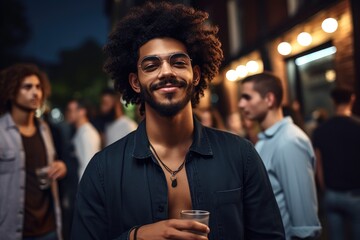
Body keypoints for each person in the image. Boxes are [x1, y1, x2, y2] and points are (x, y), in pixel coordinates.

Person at [71, 2, 285, 240]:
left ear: (196, 75)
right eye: (151, 66)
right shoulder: (102, 170)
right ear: (135, 82)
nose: (166, 72)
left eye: (178, 62)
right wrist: (135, 237)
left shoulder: (241, 155)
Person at [238, 72, 321, 240]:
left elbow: (305, 226)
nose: (240, 104)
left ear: (269, 99)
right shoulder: (265, 140)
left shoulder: (289, 141)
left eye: (247, 97)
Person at [0, 63, 67, 240]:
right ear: (12, 90)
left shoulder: (45, 129)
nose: (35, 92)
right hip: (13, 231)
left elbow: (53, 163)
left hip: (50, 228)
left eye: (38, 87)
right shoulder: (1, 132)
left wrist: (60, 167)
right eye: (27, 87)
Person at [312, 88, 360, 240]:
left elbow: (318, 164)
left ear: (333, 101)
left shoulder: (321, 130)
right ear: (352, 99)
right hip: (355, 193)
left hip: (332, 193)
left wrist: (324, 189)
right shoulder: (357, 126)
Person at [66, 99, 101, 180]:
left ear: (82, 111)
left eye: (71, 110)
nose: (68, 113)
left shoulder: (87, 133)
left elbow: (87, 166)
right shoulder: (80, 131)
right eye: (68, 110)